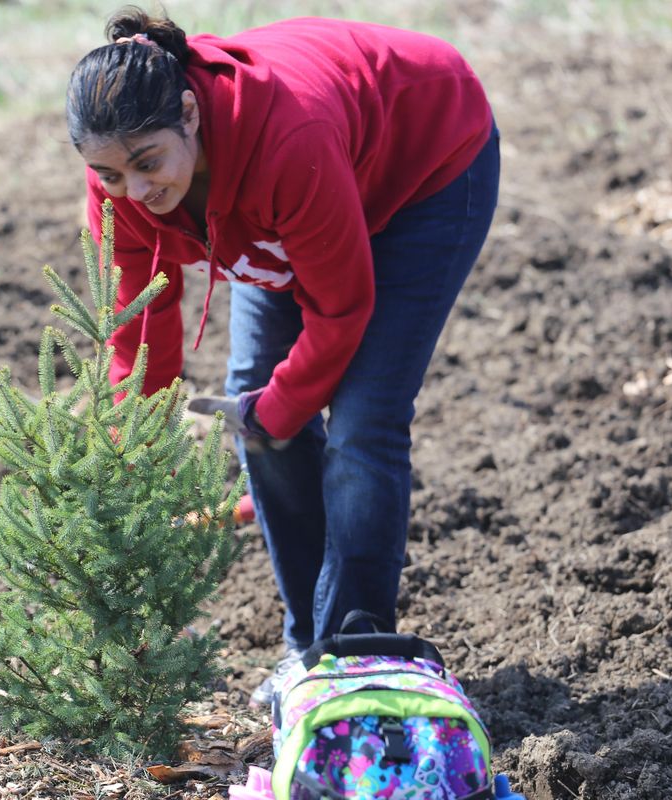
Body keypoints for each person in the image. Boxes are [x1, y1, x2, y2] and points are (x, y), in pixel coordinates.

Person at [66, 7, 499, 708]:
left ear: (188, 112)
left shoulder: (285, 140)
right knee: (256, 406)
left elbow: (341, 310)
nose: (135, 192)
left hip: (425, 165)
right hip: (300, 196)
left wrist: (277, 411)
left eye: (147, 163)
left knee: (363, 425)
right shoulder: (120, 175)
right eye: (110, 175)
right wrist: (132, 448)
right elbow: (137, 320)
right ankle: (308, 650)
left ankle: (353, 658)